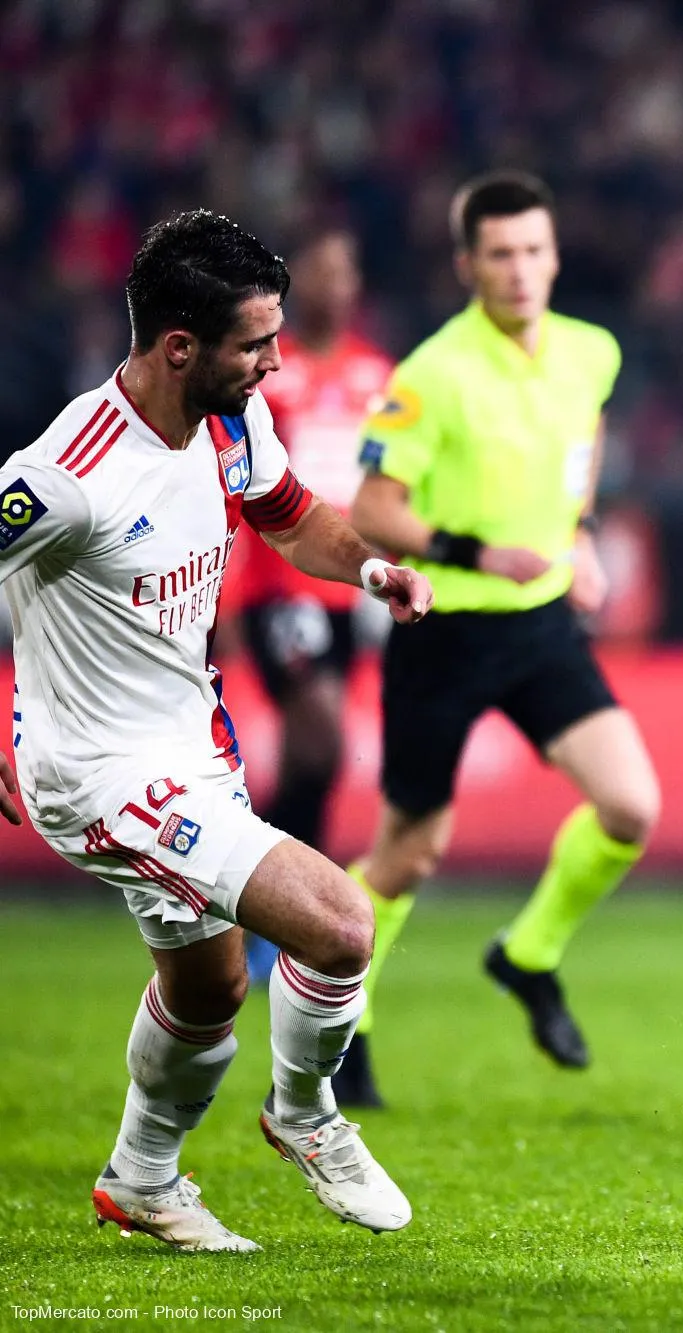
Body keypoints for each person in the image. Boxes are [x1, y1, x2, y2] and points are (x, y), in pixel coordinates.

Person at [0, 210, 433, 1251]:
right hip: (98, 774)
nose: (275, 362)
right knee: (339, 926)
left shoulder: (230, 420)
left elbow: (291, 513)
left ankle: (141, 1181)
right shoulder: (66, 474)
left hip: (192, 749)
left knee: (208, 988)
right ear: (179, 346)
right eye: (254, 344)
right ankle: (305, 1113)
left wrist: (369, 569)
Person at [346, 171, 660, 1104]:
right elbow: (371, 508)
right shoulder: (430, 374)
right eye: (500, 254)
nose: (520, 270)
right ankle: (341, 1016)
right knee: (409, 853)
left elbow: (585, 440)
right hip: (442, 628)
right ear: (467, 265)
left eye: (533, 250)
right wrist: (478, 550)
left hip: (542, 626)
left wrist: (583, 534)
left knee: (630, 806)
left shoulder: (587, 351)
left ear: (554, 256)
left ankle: (528, 954)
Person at [224, 227, 394, 989]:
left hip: (346, 591)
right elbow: (238, 489)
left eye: (350, 266)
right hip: (278, 587)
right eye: (324, 269)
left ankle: (264, 908)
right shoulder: (269, 373)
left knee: (315, 762)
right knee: (320, 737)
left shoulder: (376, 375)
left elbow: (391, 488)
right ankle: (274, 906)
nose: (340, 282)